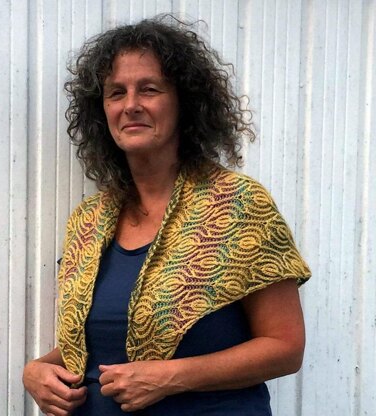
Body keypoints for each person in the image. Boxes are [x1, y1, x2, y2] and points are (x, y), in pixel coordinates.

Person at [23, 15, 311, 416]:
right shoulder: (89, 221)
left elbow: (285, 347)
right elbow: (99, 341)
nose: (131, 105)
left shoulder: (238, 205)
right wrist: (37, 370)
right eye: (116, 93)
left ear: (184, 102)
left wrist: (169, 377)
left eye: (149, 89)